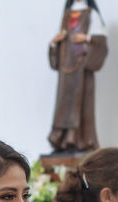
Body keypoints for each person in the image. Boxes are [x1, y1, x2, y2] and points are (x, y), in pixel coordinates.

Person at [47, 0, 108, 153]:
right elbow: (59, 37)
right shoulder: (67, 14)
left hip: (82, 68)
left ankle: (80, 141)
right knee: (63, 105)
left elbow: (101, 39)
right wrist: (55, 42)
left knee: (81, 105)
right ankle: (61, 141)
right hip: (66, 67)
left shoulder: (90, 14)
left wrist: (86, 38)